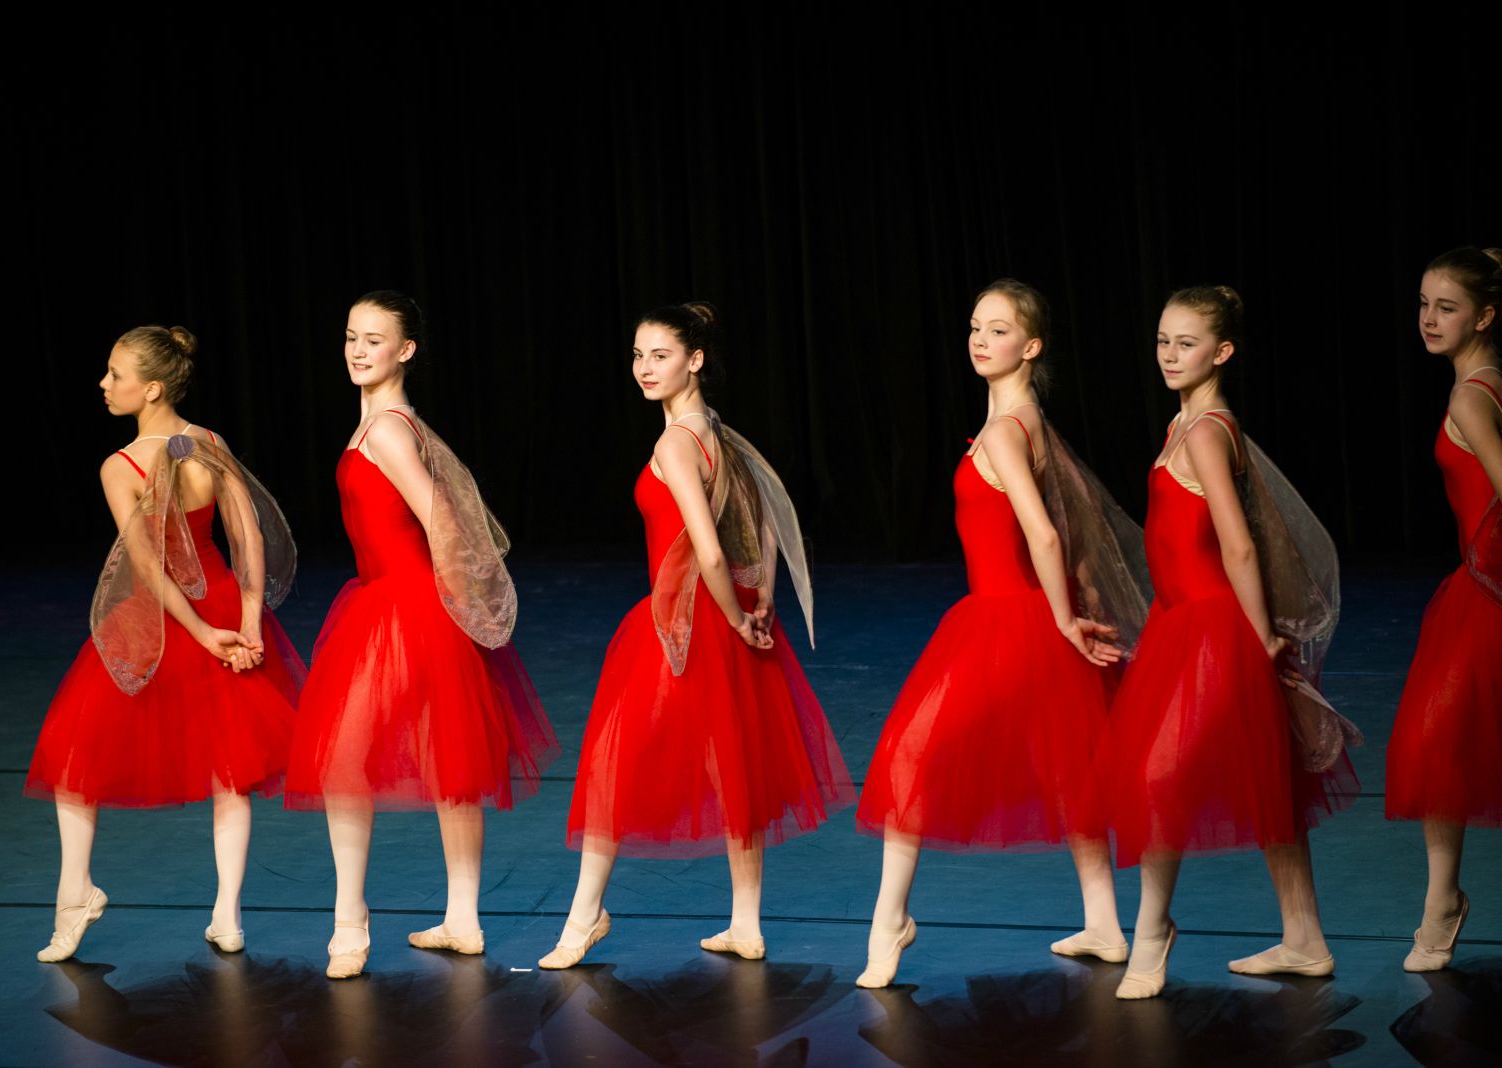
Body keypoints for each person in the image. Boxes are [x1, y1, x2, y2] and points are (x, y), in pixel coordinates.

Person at [539, 301, 854, 969]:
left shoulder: (676, 442)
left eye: (660, 355)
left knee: (615, 765)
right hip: (727, 617)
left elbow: (710, 550)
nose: (644, 367)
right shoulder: (721, 435)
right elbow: (768, 523)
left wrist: (739, 615)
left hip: (682, 623)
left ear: (696, 360)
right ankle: (745, 923)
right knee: (735, 764)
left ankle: (584, 916)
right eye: (638, 355)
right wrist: (760, 599)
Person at [851, 280, 1148, 988]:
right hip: (1028, 616)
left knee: (908, 756)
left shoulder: (1006, 430)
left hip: (1008, 618)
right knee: (1067, 768)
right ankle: (1105, 924)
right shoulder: (1031, 421)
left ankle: (890, 919)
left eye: (999, 330)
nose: (980, 340)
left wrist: (1064, 619)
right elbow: (1073, 526)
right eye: (975, 327)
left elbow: (1046, 534)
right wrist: (1068, 609)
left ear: (1031, 346)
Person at [285, 291, 557, 979]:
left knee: (348, 759)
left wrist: (459, 609)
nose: (357, 350)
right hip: (391, 601)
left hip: (405, 607)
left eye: (374, 340)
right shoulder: (382, 422)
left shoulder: (387, 430)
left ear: (405, 350)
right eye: (352, 336)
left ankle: (351, 922)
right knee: (444, 760)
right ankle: (459, 918)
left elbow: (442, 521)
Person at [1095, 286, 1357, 999]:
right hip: (1183, 623)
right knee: (1266, 775)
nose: (1169, 354)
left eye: (1186, 343)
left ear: (1223, 352)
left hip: (1215, 626)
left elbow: (1239, 546)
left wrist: (1258, 635)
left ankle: (1153, 929)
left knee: (1159, 775)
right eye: (1163, 341)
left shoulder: (1208, 431)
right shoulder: (1183, 425)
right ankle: (1304, 938)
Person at [26, 324, 304, 962]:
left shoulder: (120, 465)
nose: (104, 384)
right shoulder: (207, 443)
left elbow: (150, 568)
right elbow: (247, 538)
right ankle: (227, 915)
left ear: (151, 389)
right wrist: (249, 622)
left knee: (75, 756)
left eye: (115, 374)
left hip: (161, 619)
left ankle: (76, 893)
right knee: (229, 769)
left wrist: (208, 632)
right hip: (222, 605)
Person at [1386, 246, 1502, 971]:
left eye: (1447, 307)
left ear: (1485, 316)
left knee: (1437, 742)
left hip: (1487, 591)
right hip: (1477, 589)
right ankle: (1441, 901)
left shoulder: (1470, 397)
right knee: (1445, 742)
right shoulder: (1485, 384)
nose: (1429, 319)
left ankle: (1442, 902)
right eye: (1424, 304)